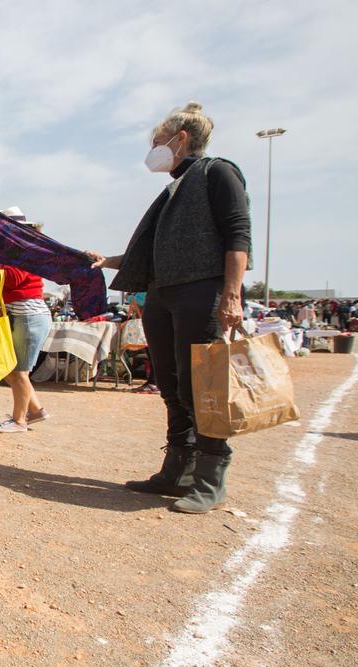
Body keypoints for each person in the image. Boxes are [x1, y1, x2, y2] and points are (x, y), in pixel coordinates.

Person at [87, 101, 251, 514]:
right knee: (173, 384)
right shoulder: (175, 187)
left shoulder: (218, 172)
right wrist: (109, 261)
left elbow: (237, 235)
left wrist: (231, 295)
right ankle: (177, 469)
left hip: (201, 291)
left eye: (157, 142)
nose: (153, 150)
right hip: (163, 292)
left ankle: (211, 479)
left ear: (181, 139)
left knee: (204, 386)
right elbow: (153, 247)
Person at [0, 207, 52, 433]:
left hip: (28, 316)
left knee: (18, 371)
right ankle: (35, 411)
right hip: (23, 315)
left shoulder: (23, 252)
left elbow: (11, 279)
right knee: (9, 368)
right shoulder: (18, 251)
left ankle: (19, 420)